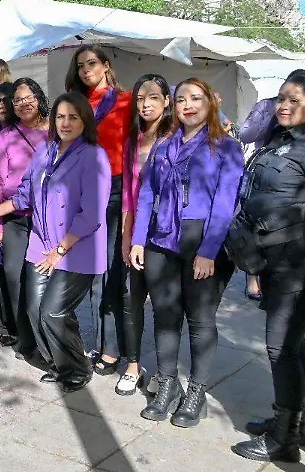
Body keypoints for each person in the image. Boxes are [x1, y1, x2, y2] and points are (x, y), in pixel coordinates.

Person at [231, 71, 305, 463]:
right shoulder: (279, 139)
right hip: (272, 260)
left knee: (280, 347)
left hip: (301, 264)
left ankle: (284, 441)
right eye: (281, 98)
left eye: (295, 100)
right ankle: (291, 424)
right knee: (292, 346)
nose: (284, 106)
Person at [131, 78, 244, 427]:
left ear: (210, 103)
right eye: (181, 99)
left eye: (196, 98)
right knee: (164, 315)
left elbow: (226, 203)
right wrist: (138, 239)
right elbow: (147, 193)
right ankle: (166, 384)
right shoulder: (164, 146)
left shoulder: (226, 148)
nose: (188, 105)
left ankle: (196, 391)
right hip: (162, 239)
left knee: (199, 320)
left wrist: (209, 251)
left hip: (203, 240)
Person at [13, 92, 112, 393]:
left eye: (73, 117)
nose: (66, 123)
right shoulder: (44, 151)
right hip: (41, 242)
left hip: (76, 247)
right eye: (60, 117)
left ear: (85, 120)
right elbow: (24, 194)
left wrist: (60, 250)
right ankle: (58, 362)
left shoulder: (94, 156)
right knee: (34, 308)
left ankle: (77, 367)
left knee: (54, 311)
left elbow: (92, 212)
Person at [65, 45, 134, 378]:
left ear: (106, 66)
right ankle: (96, 343)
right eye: (80, 66)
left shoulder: (127, 100)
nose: (85, 70)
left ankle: (111, 349)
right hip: (81, 192)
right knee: (87, 273)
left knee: (107, 275)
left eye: (91, 63)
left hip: (115, 193)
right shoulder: (76, 104)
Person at [0, 78, 49, 358]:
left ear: (39, 97)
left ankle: (48, 339)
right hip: (14, 219)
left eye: (27, 97)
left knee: (43, 282)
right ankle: (25, 338)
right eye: (17, 100)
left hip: (48, 221)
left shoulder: (57, 131)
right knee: (13, 277)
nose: (22, 104)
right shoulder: (7, 137)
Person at [118, 74, 174, 397]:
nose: (146, 104)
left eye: (153, 97)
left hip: (166, 234)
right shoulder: (133, 141)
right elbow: (128, 193)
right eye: (140, 98)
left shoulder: (176, 138)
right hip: (136, 230)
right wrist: (127, 237)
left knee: (166, 305)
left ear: (167, 100)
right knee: (130, 299)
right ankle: (132, 365)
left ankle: (167, 373)